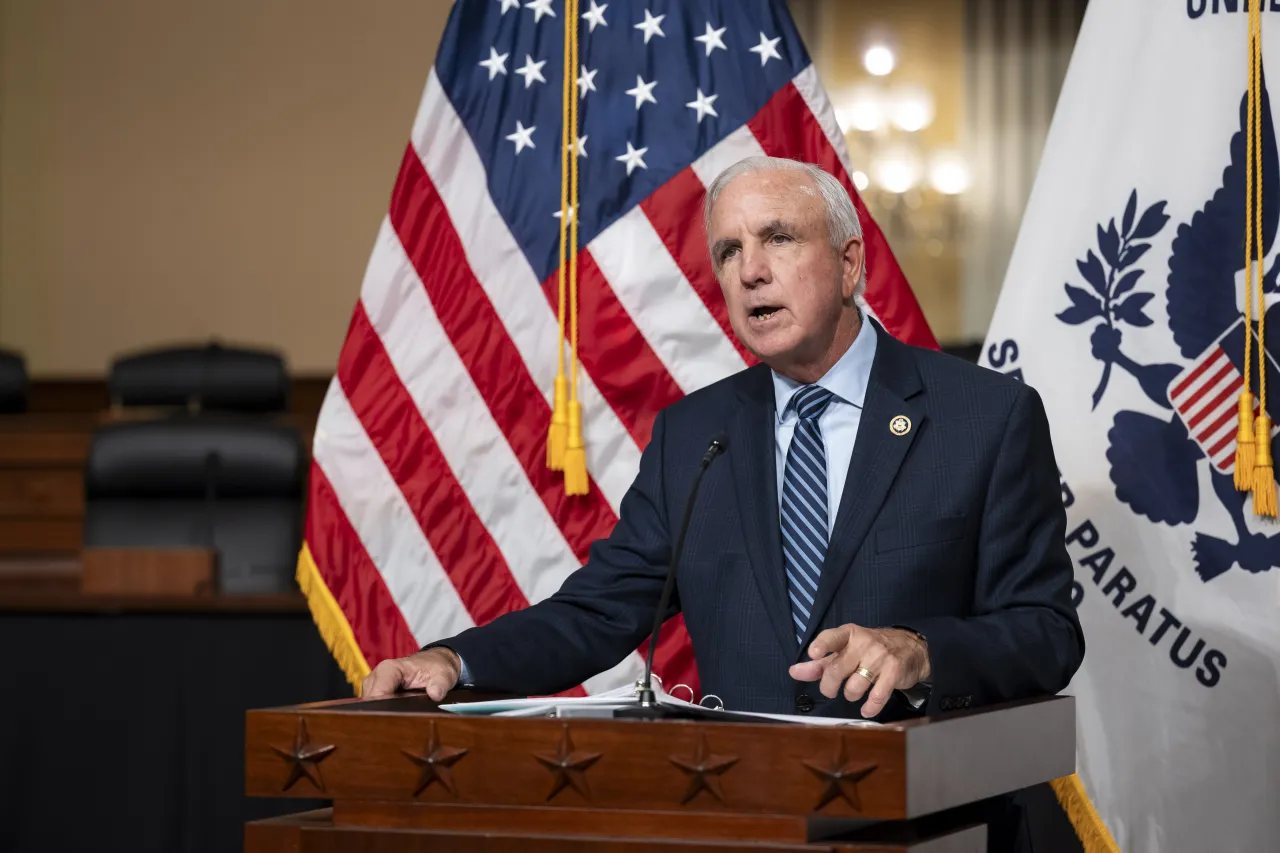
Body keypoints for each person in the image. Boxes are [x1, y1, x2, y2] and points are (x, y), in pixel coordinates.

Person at [362, 156, 1084, 728]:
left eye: (778, 238)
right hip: (744, 814)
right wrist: (458, 659)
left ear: (850, 264)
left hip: (929, 815)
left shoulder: (984, 417)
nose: (750, 271)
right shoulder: (694, 435)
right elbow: (599, 611)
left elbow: (1047, 631)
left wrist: (921, 650)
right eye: (729, 250)